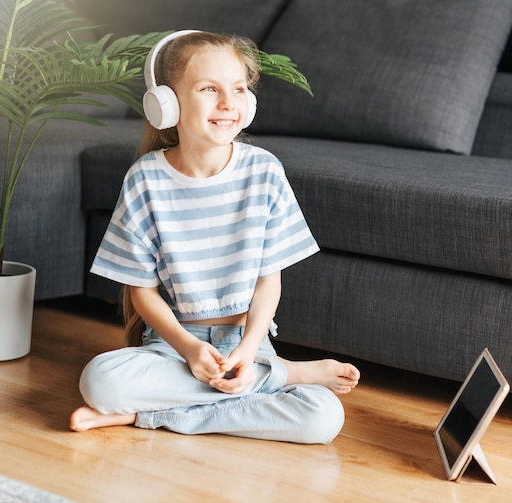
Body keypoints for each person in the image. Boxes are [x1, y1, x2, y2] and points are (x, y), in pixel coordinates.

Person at [69, 31, 360, 444]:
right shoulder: (145, 179)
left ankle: (146, 415)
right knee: (100, 381)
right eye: (209, 88)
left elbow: (267, 281)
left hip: (246, 343)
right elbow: (142, 292)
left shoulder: (265, 172)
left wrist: (249, 350)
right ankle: (284, 377)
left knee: (322, 416)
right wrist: (189, 349)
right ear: (166, 103)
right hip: (173, 343)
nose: (228, 103)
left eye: (239, 89)